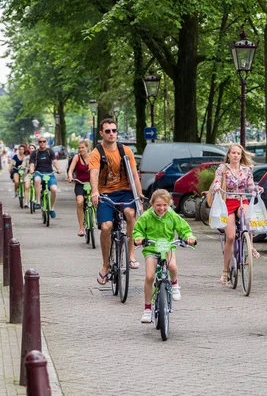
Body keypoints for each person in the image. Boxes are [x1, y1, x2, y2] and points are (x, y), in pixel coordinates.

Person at [89, 118, 143, 285]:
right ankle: (105, 266)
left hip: (125, 192)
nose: (111, 133)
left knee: (129, 213)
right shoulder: (97, 152)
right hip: (105, 194)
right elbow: (94, 173)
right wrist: (95, 191)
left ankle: (131, 254)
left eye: (114, 130)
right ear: (101, 133)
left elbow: (134, 175)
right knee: (106, 227)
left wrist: (139, 197)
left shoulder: (125, 150)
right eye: (107, 131)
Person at [133, 188, 196, 323]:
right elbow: (138, 231)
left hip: (167, 247)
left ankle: (174, 284)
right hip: (151, 247)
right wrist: (139, 238)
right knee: (149, 276)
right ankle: (147, 309)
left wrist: (189, 237)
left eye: (165, 205)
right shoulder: (146, 216)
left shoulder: (172, 215)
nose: (162, 208)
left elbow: (184, 229)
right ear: (151, 204)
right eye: (158, 205)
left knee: (172, 266)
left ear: (169, 204)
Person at [212, 143, 262, 285]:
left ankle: (250, 245)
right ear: (228, 155)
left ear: (241, 156)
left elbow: (251, 186)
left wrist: (256, 190)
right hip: (227, 201)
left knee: (248, 219)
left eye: (238, 153)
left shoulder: (246, 170)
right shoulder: (223, 168)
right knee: (231, 237)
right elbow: (216, 181)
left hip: (242, 200)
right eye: (233, 153)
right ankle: (225, 271)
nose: (235, 155)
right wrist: (216, 187)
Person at [29, 138, 61, 217]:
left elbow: (54, 161)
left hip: (49, 174)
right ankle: (38, 202)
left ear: (46, 142)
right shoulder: (34, 153)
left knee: (54, 189)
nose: (42, 143)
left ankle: (52, 208)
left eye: (44, 141)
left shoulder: (50, 151)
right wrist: (31, 170)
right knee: (36, 180)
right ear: (38, 143)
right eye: (40, 142)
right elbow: (32, 164)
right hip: (39, 173)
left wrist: (58, 169)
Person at [67, 139, 91, 236]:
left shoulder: (93, 156)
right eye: (79, 148)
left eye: (83, 147)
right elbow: (70, 170)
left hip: (91, 183)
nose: (81, 150)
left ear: (87, 148)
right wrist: (70, 176)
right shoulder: (77, 157)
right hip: (80, 183)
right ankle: (81, 227)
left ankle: (97, 218)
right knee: (80, 202)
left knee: (98, 199)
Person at [21, 143, 36, 208]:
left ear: (35, 149)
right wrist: (21, 166)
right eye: (30, 148)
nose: (31, 149)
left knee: (37, 186)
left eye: (32, 148)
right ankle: (26, 202)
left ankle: (36, 199)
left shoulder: (38, 157)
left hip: (36, 173)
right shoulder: (26, 158)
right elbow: (23, 164)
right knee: (27, 187)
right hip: (28, 173)